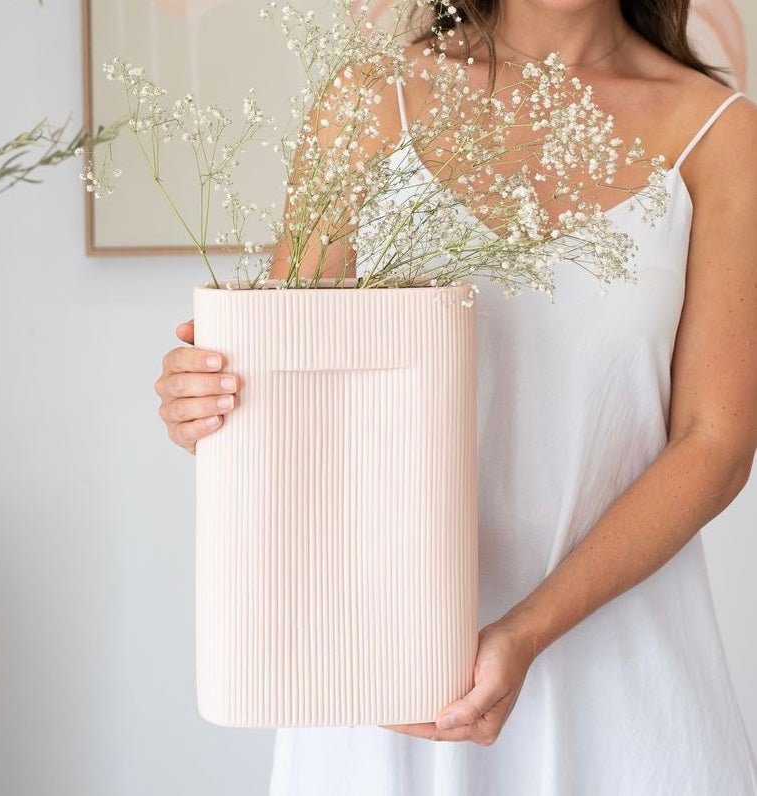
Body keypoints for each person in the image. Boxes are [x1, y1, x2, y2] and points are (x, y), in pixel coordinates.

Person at [153, 0, 757, 792]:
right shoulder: (370, 101)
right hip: (382, 670)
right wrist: (207, 405)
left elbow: (715, 441)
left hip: (625, 676)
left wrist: (527, 630)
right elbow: (290, 392)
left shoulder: (722, 135)